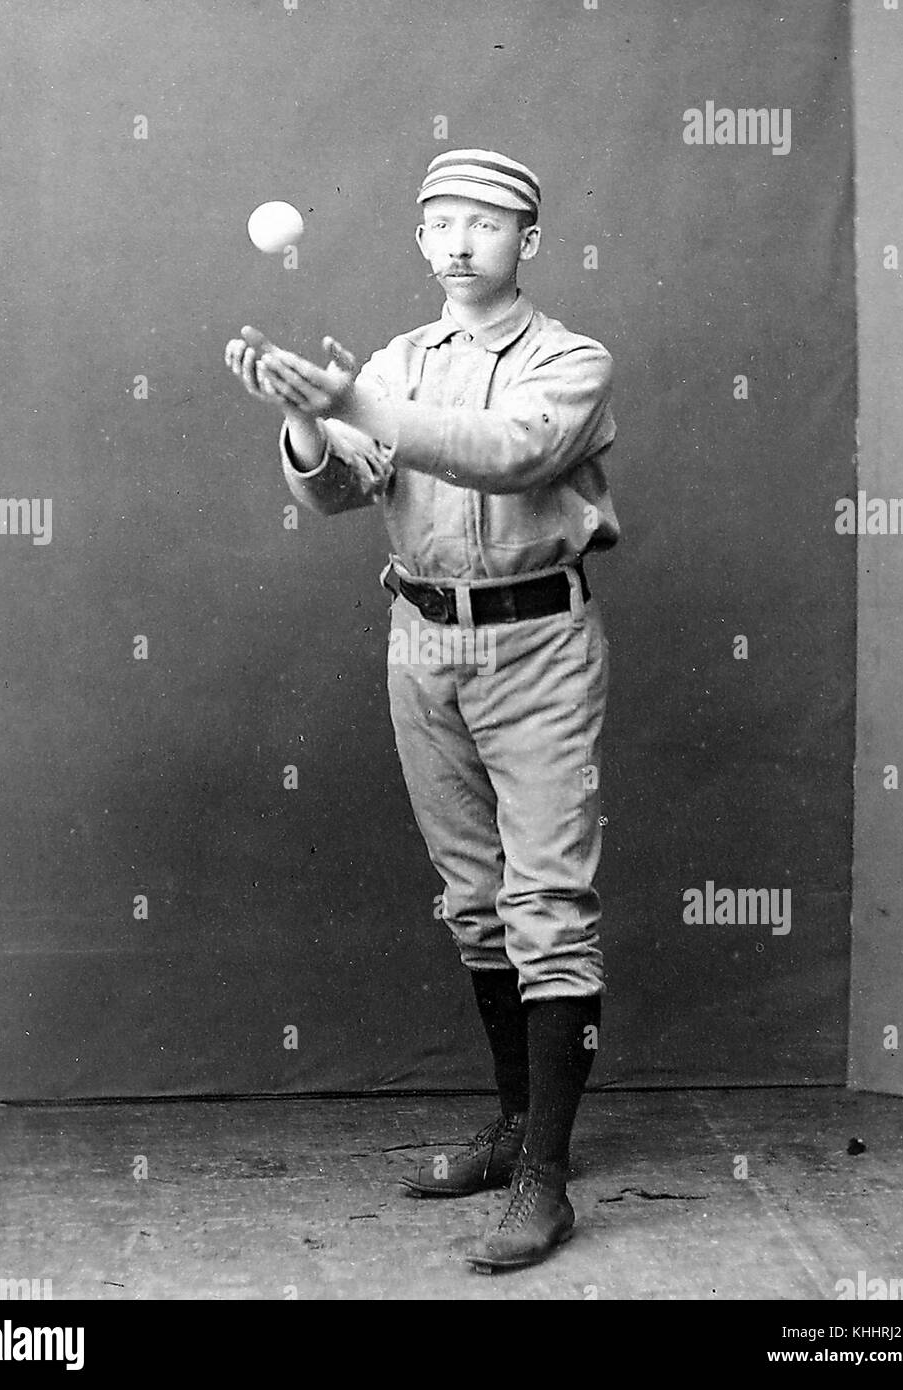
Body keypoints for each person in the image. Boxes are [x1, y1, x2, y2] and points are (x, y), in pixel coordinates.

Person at [224, 148, 620, 1272]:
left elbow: (514, 452)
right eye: (438, 221)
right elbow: (346, 485)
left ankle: (546, 1177)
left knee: (547, 900)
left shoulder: (570, 359)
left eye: (484, 223)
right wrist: (307, 423)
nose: (457, 242)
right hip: (422, 644)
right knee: (475, 900)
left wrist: (354, 396)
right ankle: (509, 1130)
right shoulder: (399, 361)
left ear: (527, 242)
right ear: (419, 239)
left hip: (537, 644)